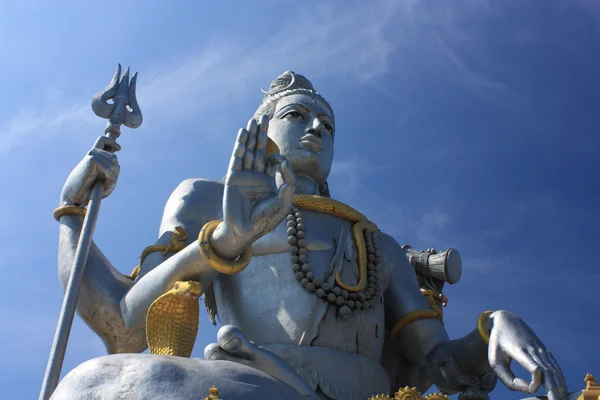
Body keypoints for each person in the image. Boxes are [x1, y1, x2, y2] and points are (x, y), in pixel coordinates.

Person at [53, 71, 569, 400]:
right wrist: (74, 212)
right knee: (94, 384)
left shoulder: (377, 244)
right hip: (259, 382)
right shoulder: (207, 200)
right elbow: (122, 325)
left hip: (371, 396)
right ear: (262, 128)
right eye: (298, 115)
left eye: (328, 123)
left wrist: (495, 326)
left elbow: (442, 365)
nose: (318, 129)